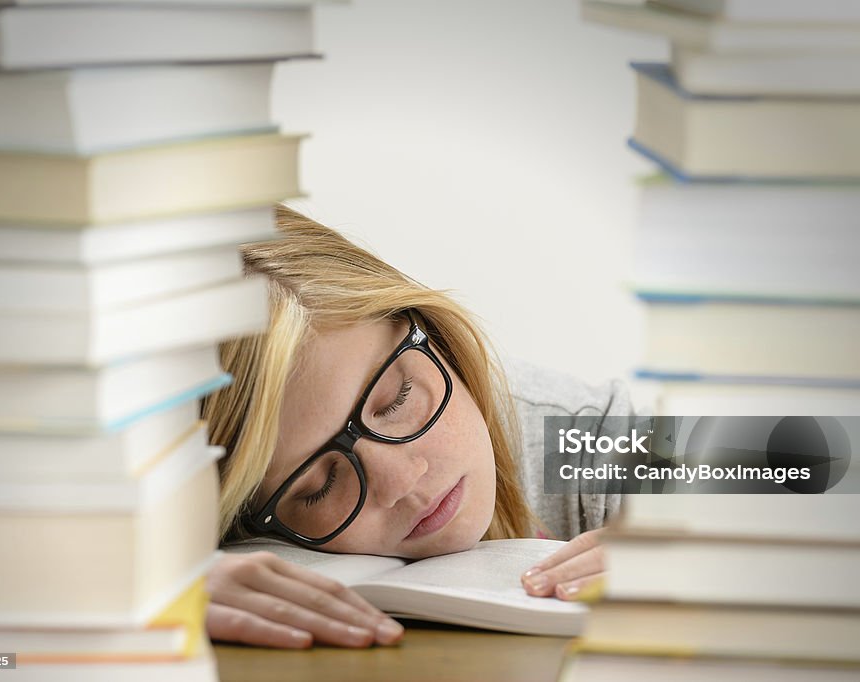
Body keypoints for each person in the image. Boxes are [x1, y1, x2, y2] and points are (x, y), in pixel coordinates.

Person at [202, 206, 632, 649]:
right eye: (319, 486)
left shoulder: (581, 430)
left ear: (434, 333)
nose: (402, 482)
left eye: (397, 401)